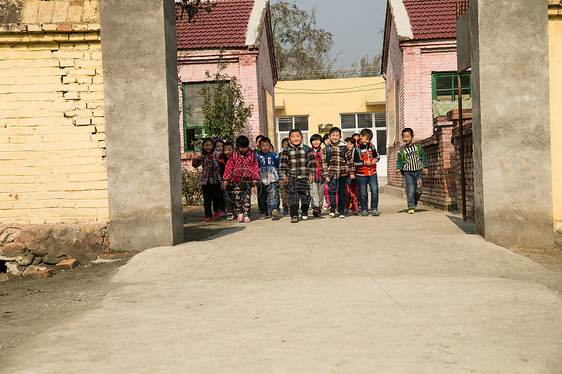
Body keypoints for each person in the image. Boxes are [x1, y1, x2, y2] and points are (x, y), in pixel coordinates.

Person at [279, 129, 316, 223]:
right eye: (293, 137)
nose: (295, 138)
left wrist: (312, 174)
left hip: (304, 178)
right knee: (293, 198)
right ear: (289, 140)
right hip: (292, 178)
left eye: (298, 136)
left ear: (302, 138)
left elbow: (312, 163)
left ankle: (304, 211)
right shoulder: (286, 150)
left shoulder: (307, 149)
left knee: (305, 198)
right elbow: (283, 163)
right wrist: (283, 174)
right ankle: (294, 215)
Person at [222, 136, 260, 223]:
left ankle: (246, 214)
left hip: (248, 179)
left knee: (247, 198)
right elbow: (229, 166)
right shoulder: (234, 154)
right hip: (236, 180)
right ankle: (240, 213)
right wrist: (225, 179)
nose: (243, 149)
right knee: (237, 197)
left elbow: (255, 166)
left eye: (245, 147)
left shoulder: (251, 154)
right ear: (237, 146)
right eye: (241, 147)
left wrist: (255, 178)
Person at [322, 127, 355, 218]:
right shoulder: (326, 149)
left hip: (343, 174)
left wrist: (352, 172)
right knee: (332, 191)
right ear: (329, 136)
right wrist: (326, 175)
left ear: (340, 137)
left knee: (342, 193)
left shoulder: (344, 148)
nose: (335, 137)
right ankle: (332, 208)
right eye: (333, 135)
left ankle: (341, 211)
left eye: (337, 136)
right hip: (331, 174)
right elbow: (324, 162)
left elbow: (350, 161)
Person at [395, 127, 429, 214]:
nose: (406, 139)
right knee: (410, 190)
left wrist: (426, 167)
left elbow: (423, 157)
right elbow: (399, 161)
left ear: (412, 137)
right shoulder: (401, 150)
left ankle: (415, 202)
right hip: (408, 173)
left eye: (408, 137)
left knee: (419, 189)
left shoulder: (418, 147)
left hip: (418, 172)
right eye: (404, 137)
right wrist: (398, 168)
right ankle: (411, 207)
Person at [352, 129, 381, 216]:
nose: (367, 141)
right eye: (366, 139)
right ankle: (364, 209)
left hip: (372, 173)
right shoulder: (356, 148)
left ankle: (374, 208)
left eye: (369, 139)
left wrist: (375, 159)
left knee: (375, 190)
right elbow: (354, 162)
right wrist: (364, 163)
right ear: (361, 136)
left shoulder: (372, 146)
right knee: (363, 192)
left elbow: (378, 156)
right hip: (361, 174)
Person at [192, 138, 221, 222]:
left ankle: (216, 211)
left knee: (216, 197)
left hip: (215, 180)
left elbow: (220, 164)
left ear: (213, 146)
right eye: (206, 145)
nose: (208, 147)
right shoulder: (202, 155)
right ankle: (207, 215)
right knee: (207, 199)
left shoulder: (217, 154)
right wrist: (197, 160)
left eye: (210, 145)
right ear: (203, 146)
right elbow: (195, 165)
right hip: (205, 180)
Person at [257, 137, 280, 220]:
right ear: (259, 147)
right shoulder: (257, 157)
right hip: (261, 180)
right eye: (263, 146)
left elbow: (278, 167)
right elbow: (255, 169)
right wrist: (256, 179)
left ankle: (273, 210)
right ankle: (263, 212)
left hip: (272, 180)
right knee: (261, 197)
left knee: (273, 196)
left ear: (270, 146)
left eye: (267, 145)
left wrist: (280, 178)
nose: (265, 147)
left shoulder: (274, 156)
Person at [218, 141, 235, 220]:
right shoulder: (221, 160)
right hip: (225, 182)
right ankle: (230, 213)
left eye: (230, 150)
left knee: (235, 197)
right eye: (226, 150)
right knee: (227, 198)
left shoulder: (236, 159)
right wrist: (221, 181)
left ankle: (237, 211)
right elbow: (219, 172)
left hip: (235, 182)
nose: (228, 152)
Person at [309, 134, 325, 217]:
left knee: (321, 193)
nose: (316, 142)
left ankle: (320, 208)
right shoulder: (308, 151)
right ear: (311, 141)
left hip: (321, 175)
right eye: (314, 140)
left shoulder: (323, 151)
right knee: (313, 192)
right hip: (312, 175)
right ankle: (315, 208)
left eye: (318, 140)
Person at [344, 137, 359, 215]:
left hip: (355, 175)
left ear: (354, 145)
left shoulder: (357, 152)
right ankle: (345, 207)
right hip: (345, 175)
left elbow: (360, 162)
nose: (348, 145)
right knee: (346, 193)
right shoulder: (343, 151)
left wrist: (352, 166)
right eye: (347, 143)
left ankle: (355, 208)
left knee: (354, 193)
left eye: (350, 144)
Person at [279, 137, 290, 215]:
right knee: (284, 194)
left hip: (291, 178)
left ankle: (291, 207)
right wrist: (280, 178)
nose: (286, 147)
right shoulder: (279, 156)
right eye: (284, 145)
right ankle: (285, 207)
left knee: (291, 194)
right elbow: (277, 168)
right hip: (282, 179)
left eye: (288, 146)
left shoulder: (292, 155)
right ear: (282, 146)